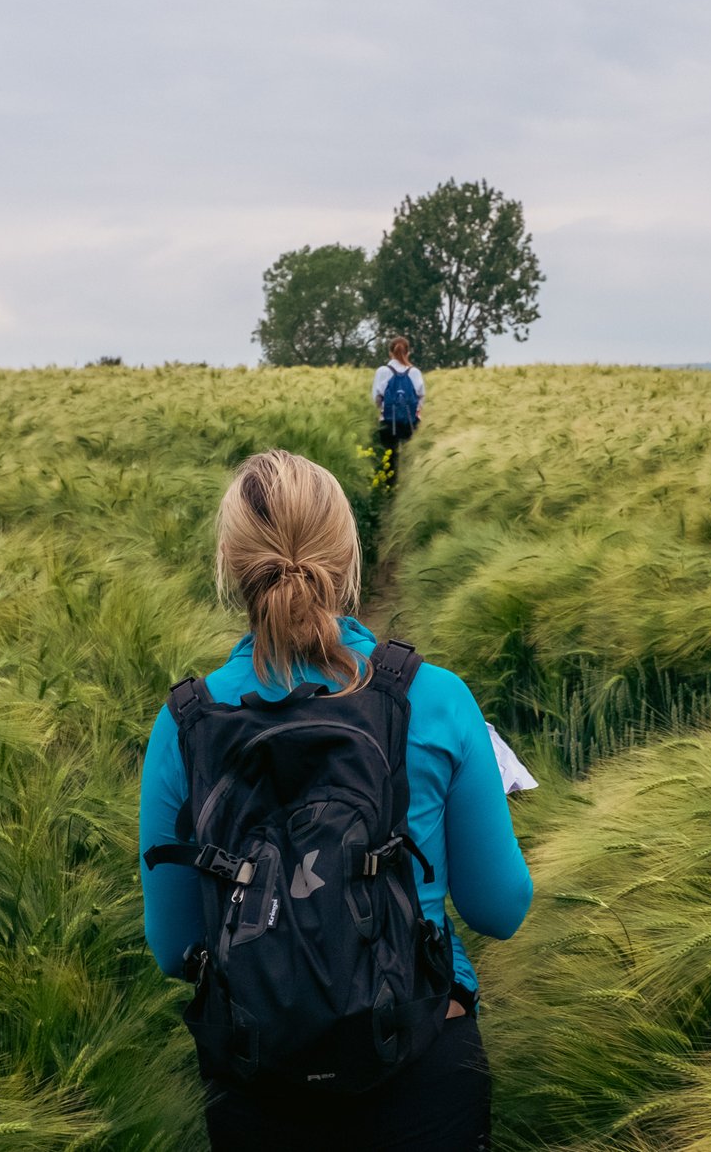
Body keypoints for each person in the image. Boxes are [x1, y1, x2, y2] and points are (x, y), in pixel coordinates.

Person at [139, 449, 532, 1151]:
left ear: (231, 569)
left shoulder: (185, 724)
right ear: (348, 558)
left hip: (258, 1078)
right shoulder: (435, 698)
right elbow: (500, 908)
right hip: (421, 1063)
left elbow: (174, 948)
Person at [372, 337, 424, 487]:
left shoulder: (382, 371)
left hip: (387, 421)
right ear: (408, 352)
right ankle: (410, 485)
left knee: (389, 457)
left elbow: (376, 398)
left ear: (390, 353)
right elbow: (421, 397)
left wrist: (384, 410)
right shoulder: (415, 372)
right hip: (410, 422)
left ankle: (389, 488)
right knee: (410, 455)